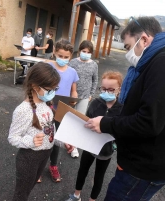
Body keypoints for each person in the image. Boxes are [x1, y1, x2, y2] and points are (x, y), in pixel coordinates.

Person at [85, 16, 165, 200]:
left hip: (143, 168)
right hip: (141, 163)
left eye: (129, 47)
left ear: (144, 39)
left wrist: (106, 124)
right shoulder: (160, 61)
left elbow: (148, 122)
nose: (128, 54)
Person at [8, 63, 74, 201]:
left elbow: (51, 134)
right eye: (50, 89)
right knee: (21, 194)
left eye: (55, 88)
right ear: (34, 86)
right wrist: (30, 141)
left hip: (44, 155)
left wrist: (63, 143)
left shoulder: (47, 105)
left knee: (29, 187)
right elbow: (13, 137)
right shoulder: (23, 110)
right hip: (29, 158)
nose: (53, 92)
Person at [66, 71, 123, 201]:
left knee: (99, 176)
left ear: (119, 89)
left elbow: (121, 129)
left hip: (106, 149)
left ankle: (92, 199)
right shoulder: (96, 103)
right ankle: (76, 195)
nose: (106, 92)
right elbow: (86, 121)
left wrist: (115, 143)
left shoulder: (121, 108)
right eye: (103, 88)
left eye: (111, 89)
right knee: (82, 170)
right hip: (89, 145)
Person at [37, 38, 79, 183]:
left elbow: (74, 91)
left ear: (71, 56)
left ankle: (53, 166)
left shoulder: (72, 72)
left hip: (61, 110)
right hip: (44, 107)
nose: (62, 59)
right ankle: (39, 167)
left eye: (66, 57)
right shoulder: (47, 66)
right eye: (60, 55)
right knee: (42, 137)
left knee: (56, 139)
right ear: (54, 52)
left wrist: (74, 100)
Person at [68, 40, 98, 158]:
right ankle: (66, 141)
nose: (85, 53)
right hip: (71, 95)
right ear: (79, 51)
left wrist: (91, 93)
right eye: (83, 51)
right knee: (69, 119)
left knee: (79, 121)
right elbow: (68, 76)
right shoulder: (73, 62)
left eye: (88, 52)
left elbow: (95, 79)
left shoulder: (94, 65)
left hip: (85, 96)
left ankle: (74, 146)